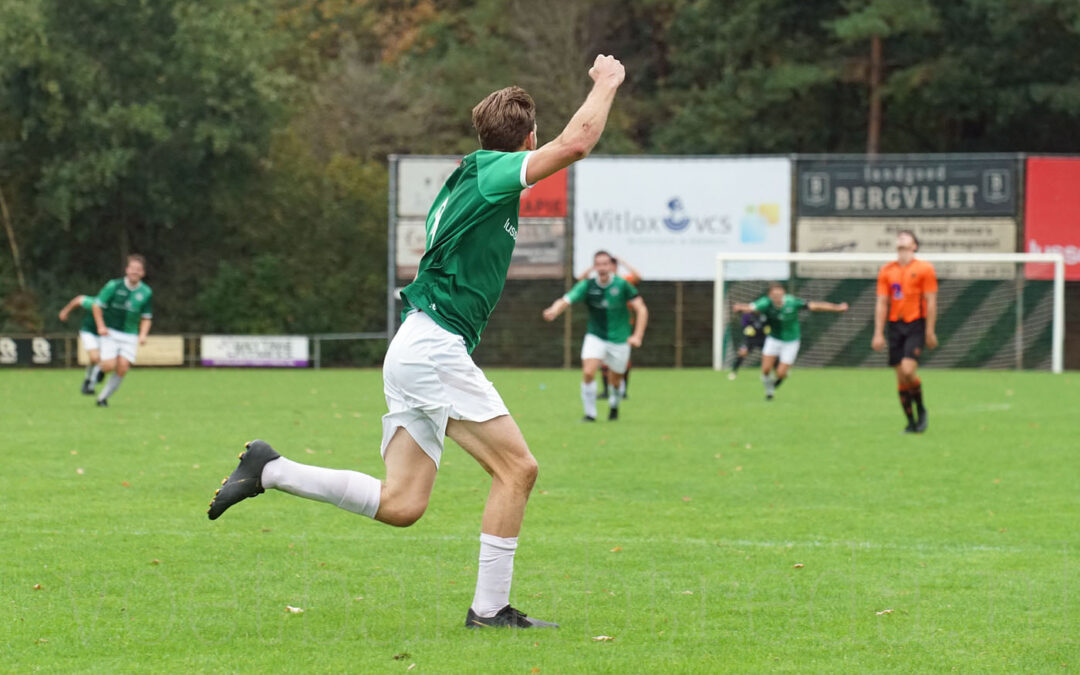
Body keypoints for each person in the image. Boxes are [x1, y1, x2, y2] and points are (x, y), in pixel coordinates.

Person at [207, 55, 627, 630]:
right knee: (518, 470)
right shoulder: (491, 172)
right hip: (433, 348)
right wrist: (606, 83)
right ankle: (490, 610)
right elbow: (576, 142)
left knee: (403, 505)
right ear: (527, 139)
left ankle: (270, 469)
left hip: (416, 346)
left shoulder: (468, 179)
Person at [542, 250, 648, 421]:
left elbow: (641, 309)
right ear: (594, 267)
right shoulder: (588, 286)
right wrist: (553, 310)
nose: (602, 268)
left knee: (615, 380)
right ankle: (590, 414)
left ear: (611, 266)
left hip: (619, 338)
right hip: (595, 336)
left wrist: (638, 336)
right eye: (598, 264)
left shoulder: (622, 285)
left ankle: (614, 404)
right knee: (588, 372)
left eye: (605, 264)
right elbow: (565, 299)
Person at [732, 282, 848, 400]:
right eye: (774, 295)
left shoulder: (792, 302)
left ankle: (774, 384)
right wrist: (740, 308)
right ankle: (769, 391)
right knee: (766, 369)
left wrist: (837, 308)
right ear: (770, 296)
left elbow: (815, 305)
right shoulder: (765, 303)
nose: (777, 298)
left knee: (781, 374)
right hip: (774, 339)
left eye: (780, 295)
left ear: (784, 294)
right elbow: (750, 307)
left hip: (791, 342)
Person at [872, 230, 938, 433]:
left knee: (909, 370)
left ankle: (921, 408)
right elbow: (882, 303)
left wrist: (930, 330)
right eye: (899, 236)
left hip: (915, 324)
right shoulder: (887, 270)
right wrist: (878, 333)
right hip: (895, 326)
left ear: (914, 245)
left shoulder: (924, 268)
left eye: (905, 236)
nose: (900, 238)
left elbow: (931, 301)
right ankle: (911, 422)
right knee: (901, 377)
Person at [91, 254, 153, 407]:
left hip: (130, 335)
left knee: (123, 367)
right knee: (109, 365)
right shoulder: (114, 285)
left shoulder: (146, 292)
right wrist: (100, 326)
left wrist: (143, 335)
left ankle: (102, 398)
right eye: (132, 268)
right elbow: (96, 305)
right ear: (127, 270)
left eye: (138, 270)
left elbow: (146, 317)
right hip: (110, 332)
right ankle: (98, 370)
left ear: (143, 273)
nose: (135, 272)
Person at [575, 258, 641, 399]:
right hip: (603, 328)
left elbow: (638, 277)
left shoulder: (623, 281)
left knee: (621, 363)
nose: (605, 268)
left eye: (608, 265)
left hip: (622, 327)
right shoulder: (596, 283)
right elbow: (580, 280)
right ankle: (606, 390)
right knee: (601, 362)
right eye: (601, 265)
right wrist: (593, 268)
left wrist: (623, 262)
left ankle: (621, 390)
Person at [58, 293, 105, 394]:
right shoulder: (95, 302)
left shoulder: (118, 306)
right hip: (89, 332)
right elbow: (79, 300)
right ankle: (88, 379)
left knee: (103, 360)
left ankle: (90, 386)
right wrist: (65, 311)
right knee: (94, 358)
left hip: (107, 335)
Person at [727, 311, 769, 381]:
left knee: (770, 356)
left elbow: (769, 326)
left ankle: (771, 372)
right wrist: (748, 330)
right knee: (742, 353)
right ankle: (733, 372)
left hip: (762, 339)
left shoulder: (764, 315)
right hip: (750, 339)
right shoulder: (747, 315)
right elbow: (744, 326)